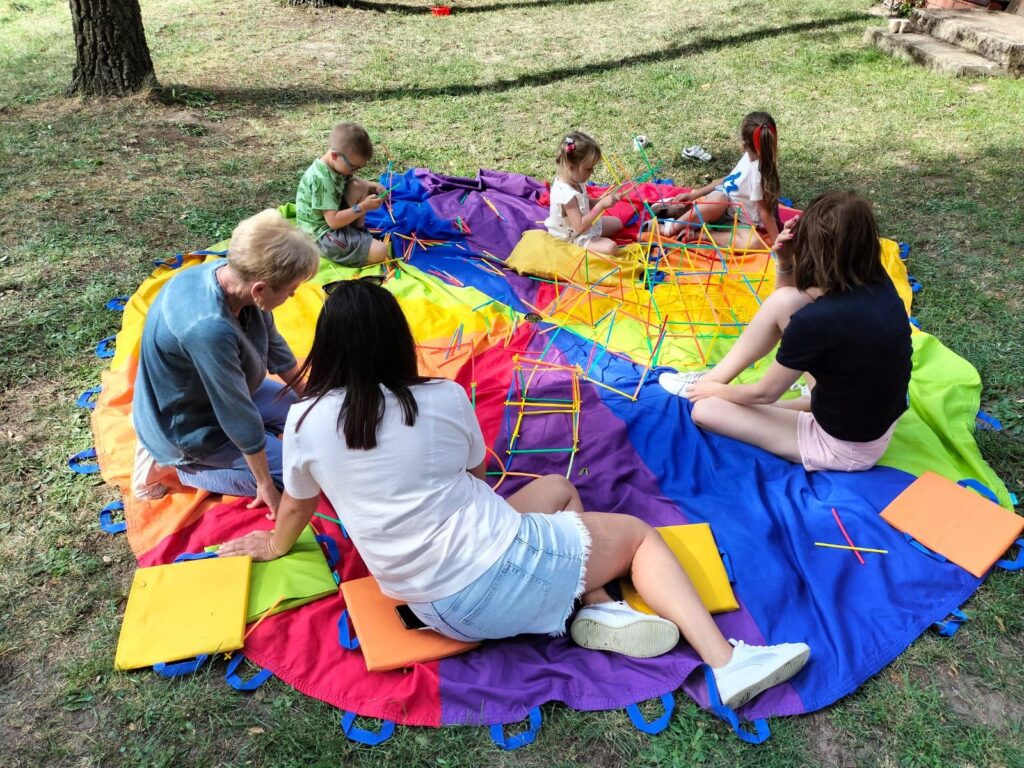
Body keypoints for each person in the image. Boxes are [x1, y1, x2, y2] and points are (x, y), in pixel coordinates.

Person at [219, 280, 811, 710]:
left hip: (430, 605)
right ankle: (727, 662)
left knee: (555, 489)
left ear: (328, 347)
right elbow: (475, 474)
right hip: (496, 572)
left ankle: (598, 606)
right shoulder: (440, 398)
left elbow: (295, 504)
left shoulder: (302, 423)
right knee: (636, 537)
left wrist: (274, 545)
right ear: (396, 340)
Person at [659, 191, 913, 473]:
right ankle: (712, 377)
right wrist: (784, 262)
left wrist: (715, 392)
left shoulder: (818, 320)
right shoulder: (873, 275)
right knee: (784, 301)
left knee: (705, 410)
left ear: (813, 250)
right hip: (873, 413)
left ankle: (707, 384)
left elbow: (763, 393)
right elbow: (786, 309)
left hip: (847, 446)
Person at [131, 209, 320, 515]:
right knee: (300, 479)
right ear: (260, 289)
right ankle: (176, 467)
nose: (295, 295)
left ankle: (256, 453)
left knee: (313, 419)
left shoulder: (236, 277)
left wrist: (319, 400)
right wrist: (264, 483)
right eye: (291, 290)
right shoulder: (209, 329)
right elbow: (236, 414)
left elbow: (277, 350)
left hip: (232, 391)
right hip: (191, 428)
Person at [656, 112, 781, 250]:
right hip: (721, 207)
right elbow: (726, 181)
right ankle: (669, 228)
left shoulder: (757, 169)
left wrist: (778, 244)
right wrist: (694, 195)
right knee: (720, 198)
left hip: (738, 220)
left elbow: (765, 212)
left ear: (743, 144)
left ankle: (701, 234)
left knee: (754, 242)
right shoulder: (750, 160)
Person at [295, 121, 390, 268]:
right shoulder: (322, 180)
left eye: (359, 167)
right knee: (381, 252)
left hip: (335, 220)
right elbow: (332, 222)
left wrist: (373, 186)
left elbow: (352, 183)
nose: (354, 171)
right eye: (353, 167)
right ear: (334, 155)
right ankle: (355, 246)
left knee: (359, 185)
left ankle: (358, 234)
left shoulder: (335, 166)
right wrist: (363, 207)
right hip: (321, 236)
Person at [544, 131, 624, 256]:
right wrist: (601, 205)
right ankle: (580, 248)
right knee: (611, 248)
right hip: (573, 236)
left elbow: (585, 203)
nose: (592, 172)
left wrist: (604, 199)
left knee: (618, 223)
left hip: (585, 225)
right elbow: (580, 227)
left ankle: (595, 239)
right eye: (588, 168)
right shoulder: (566, 195)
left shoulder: (574, 179)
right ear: (572, 166)